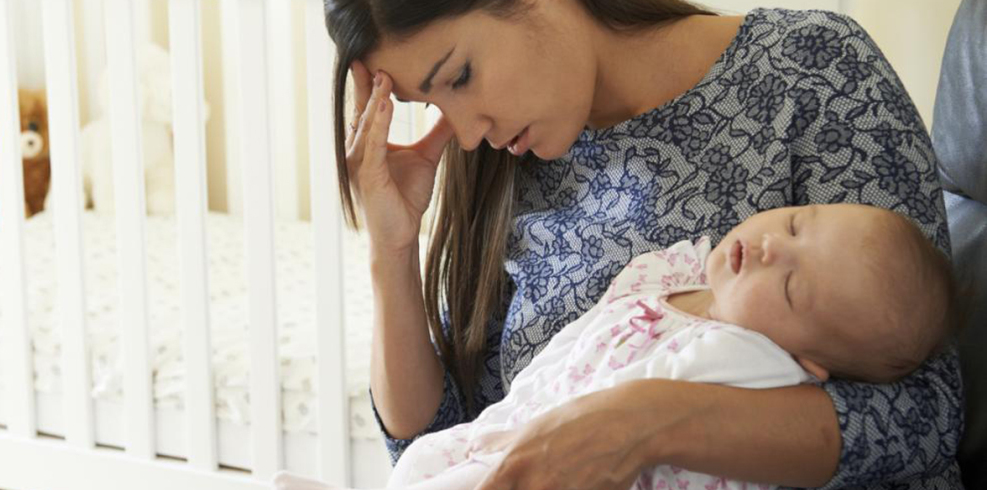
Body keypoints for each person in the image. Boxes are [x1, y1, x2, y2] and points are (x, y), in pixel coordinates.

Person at [320, 0, 964, 488]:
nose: (463, 133)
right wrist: (393, 250)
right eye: (424, 102)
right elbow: (443, 450)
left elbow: (925, 413)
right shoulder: (500, 165)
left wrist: (648, 420)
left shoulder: (816, 70)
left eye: (459, 75)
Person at [272, 203, 958, 490]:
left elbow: (929, 418)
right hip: (509, 429)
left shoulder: (750, 361)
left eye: (794, 289)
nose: (775, 246)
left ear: (809, 364)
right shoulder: (678, 271)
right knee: (426, 464)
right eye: (800, 224)